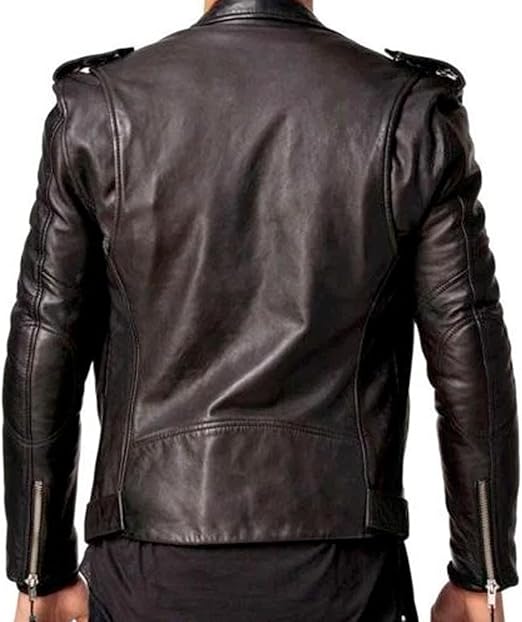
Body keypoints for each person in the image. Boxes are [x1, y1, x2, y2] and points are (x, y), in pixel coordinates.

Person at [3, 0, 518, 620]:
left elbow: (45, 348)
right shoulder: (410, 113)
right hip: (342, 574)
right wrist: (482, 574)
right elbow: (470, 358)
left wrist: (39, 569)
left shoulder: (99, 110)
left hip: (151, 568)